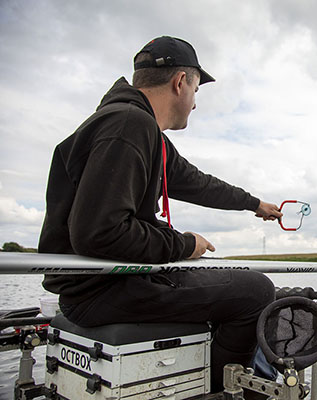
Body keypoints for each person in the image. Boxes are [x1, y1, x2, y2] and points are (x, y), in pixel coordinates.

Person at [38, 36, 282, 395]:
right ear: (180, 82)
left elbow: (197, 183)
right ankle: (218, 392)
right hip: (100, 290)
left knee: (225, 280)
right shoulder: (128, 126)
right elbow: (99, 233)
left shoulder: (136, 126)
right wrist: (184, 244)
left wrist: (254, 203)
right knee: (256, 290)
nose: (195, 104)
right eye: (196, 90)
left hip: (103, 285)